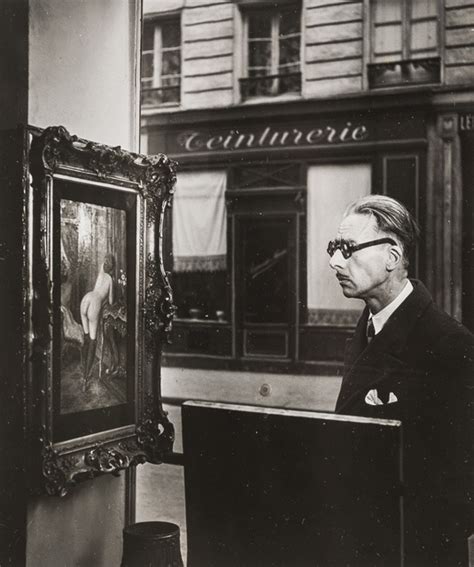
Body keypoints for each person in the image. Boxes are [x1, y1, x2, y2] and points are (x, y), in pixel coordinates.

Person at [328, 195, 473, 567]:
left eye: (347, 249)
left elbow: (461, 488)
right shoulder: (365, 330)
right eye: (334, 248)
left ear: (391, 257)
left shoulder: (448, 344)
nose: (334, 261)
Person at [80, 253, 115, 389]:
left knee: (86, 338)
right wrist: (106, 299)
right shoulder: (110, 279)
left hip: (86, 299)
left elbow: (102, 269)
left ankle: (83, 370)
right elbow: (111, 302)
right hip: (95, 304)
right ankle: (85, 378)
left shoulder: (100, 275)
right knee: (93, 342)